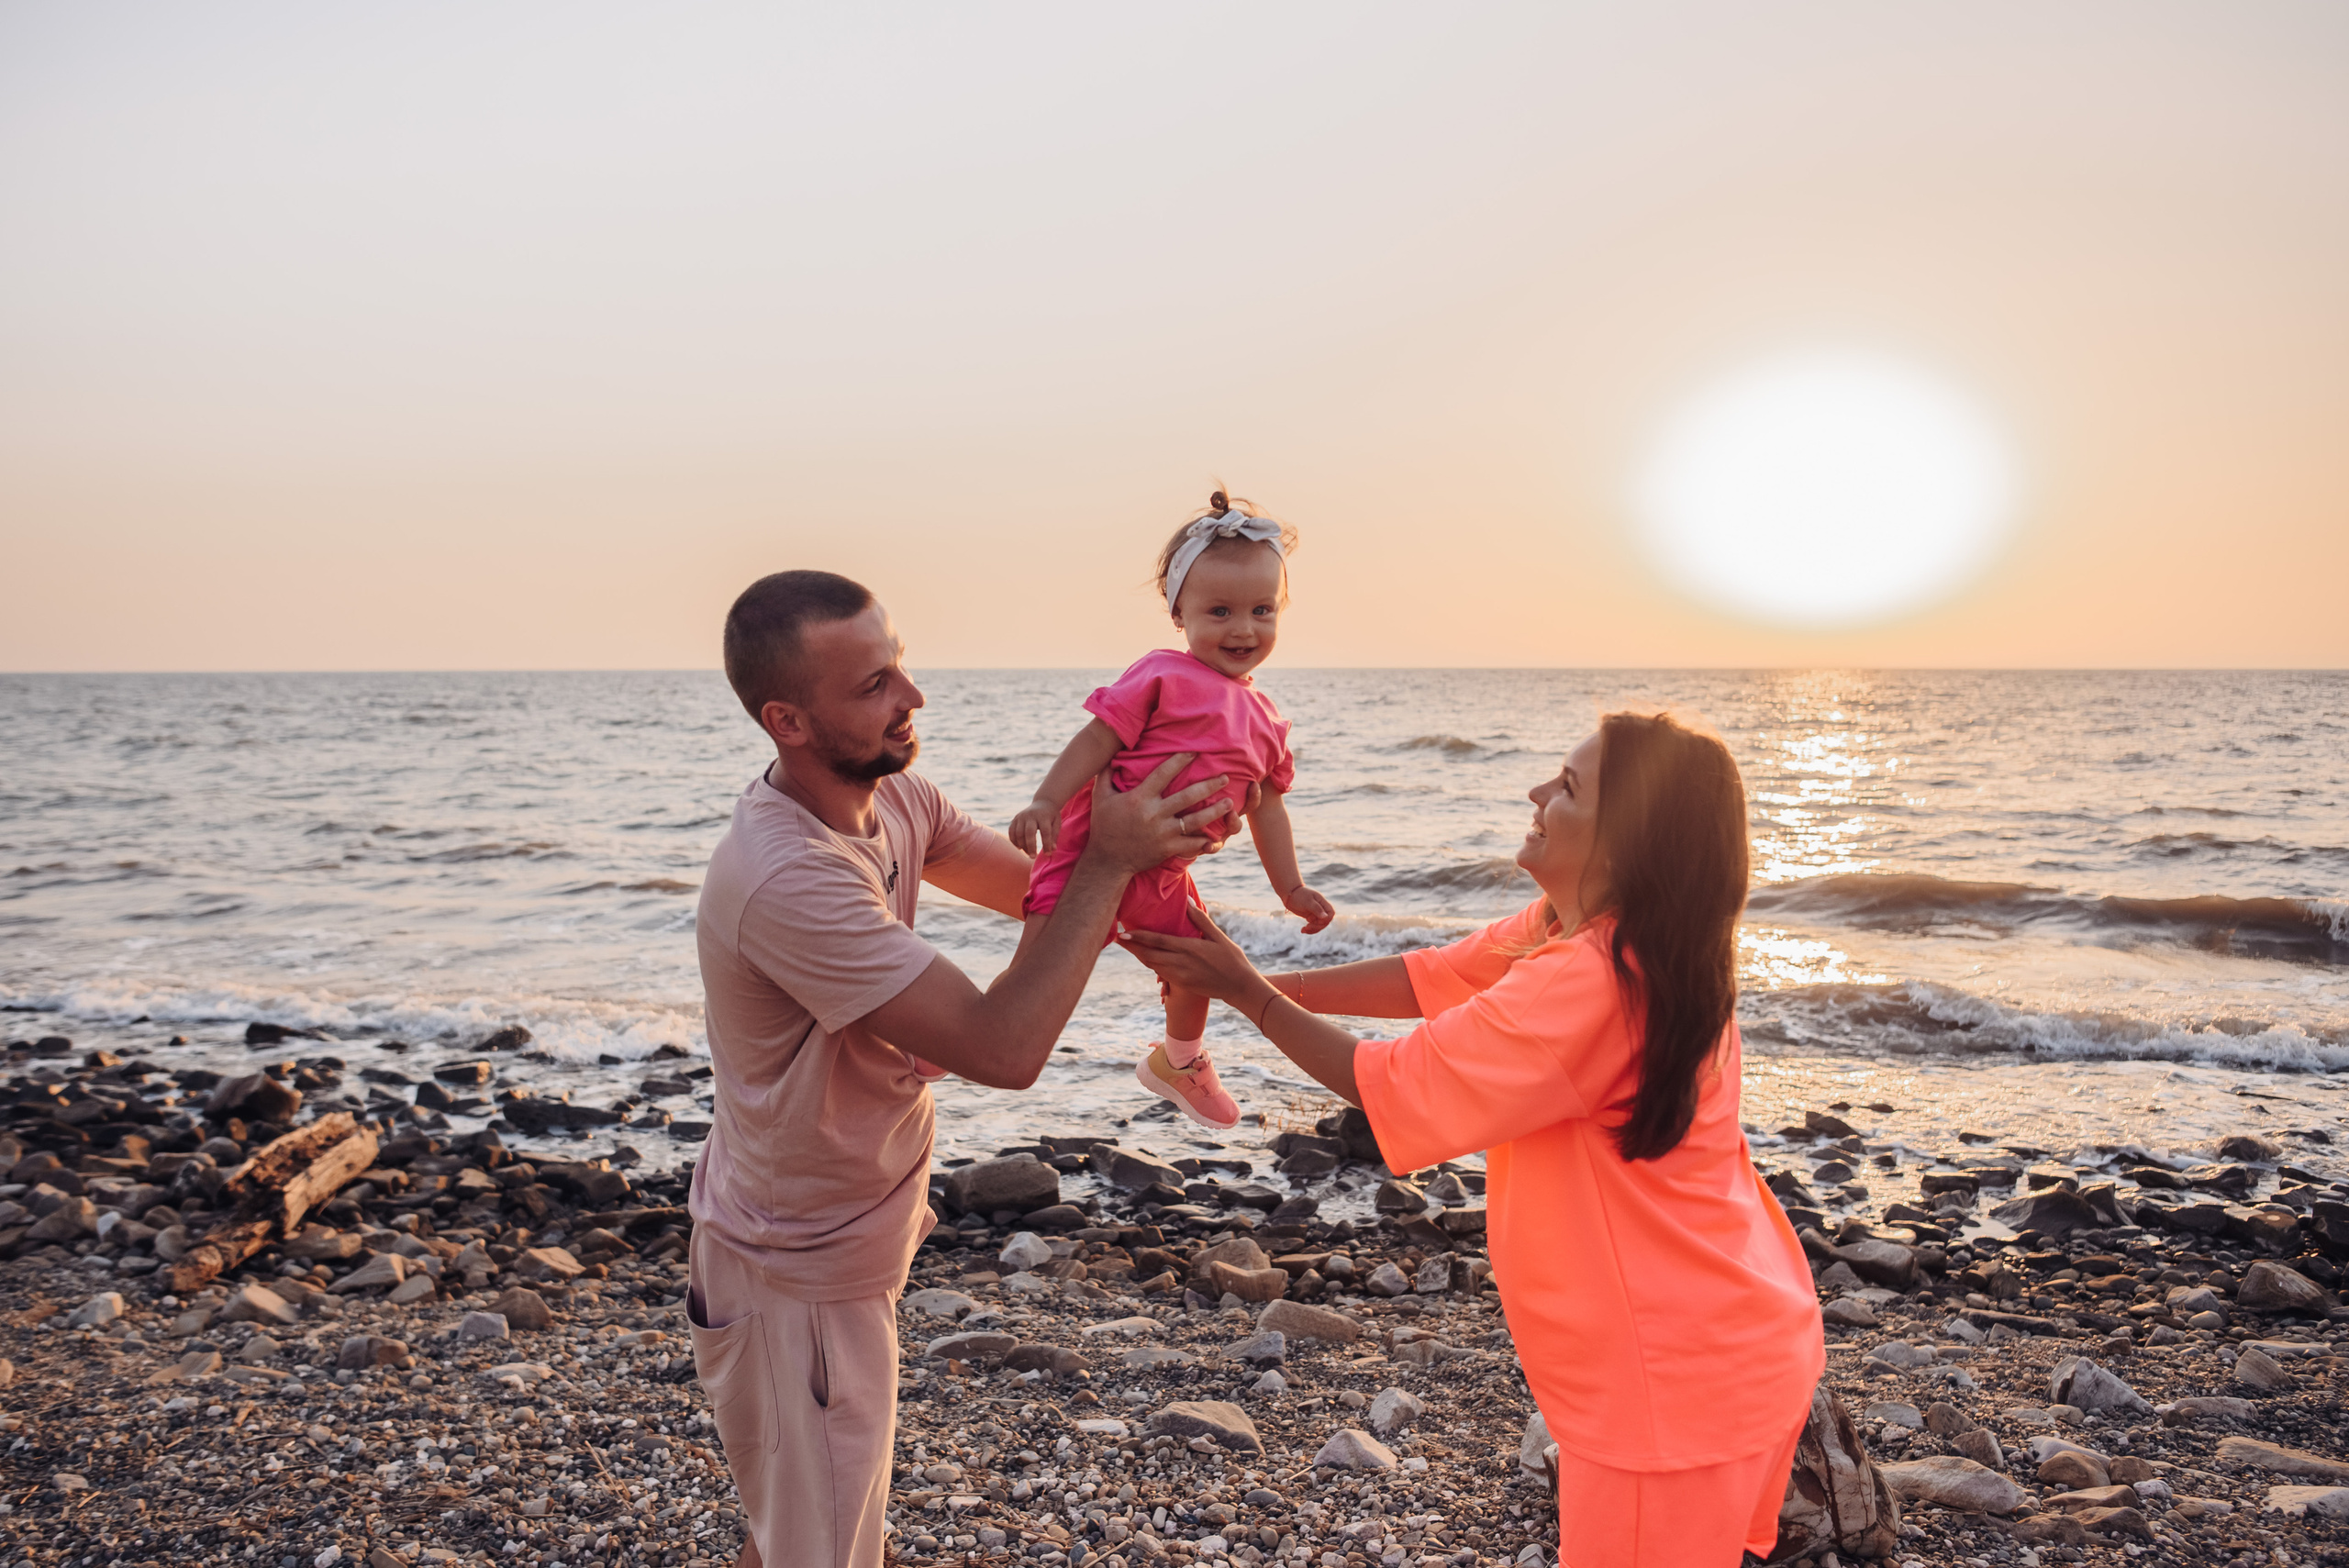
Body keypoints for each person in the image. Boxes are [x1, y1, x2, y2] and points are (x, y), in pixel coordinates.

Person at [1124, 710, 1826, 1568]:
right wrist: (1235, 975)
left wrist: (1244, 992)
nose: (1536, 793)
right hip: (1736, 1339)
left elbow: (1389, 1083)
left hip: (1667, 1387)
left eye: (1568, 787)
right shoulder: (1588, 936)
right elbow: (1431, 980)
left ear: (1627, 842)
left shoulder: (1591, 980)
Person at [690, 569, 1244, 1568]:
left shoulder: (894, 794)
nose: (912, 694)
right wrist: (1112, 865)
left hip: (842, 1233)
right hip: (796, 1267)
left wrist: (1160, 872)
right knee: (818, 1545)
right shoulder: (788, 877)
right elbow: (1002, 1047)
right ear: (788, 719)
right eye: (871, 684)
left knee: (808, 1522)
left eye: (898, 661)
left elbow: (1044, 892)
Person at [1007, 491, 1334, 1132]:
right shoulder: (1161, 673)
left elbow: (1267, 811)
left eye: (1262, 610)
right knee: (1036, 970)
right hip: (1087, 851)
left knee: (1200, 966)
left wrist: (1290, 886)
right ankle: (946, 1038)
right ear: (1178, 612)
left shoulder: (1268, 718)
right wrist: (1047, 798)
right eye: (1220, 611)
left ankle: (1179, 1061)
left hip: (1164, 873)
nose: (1243, 629)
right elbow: (1098, 737)